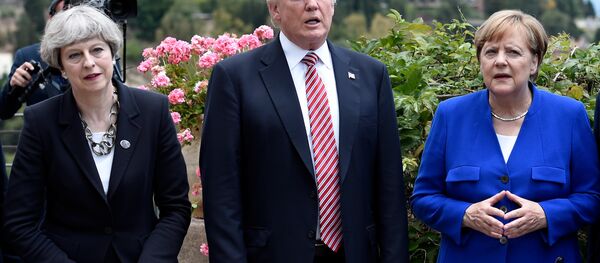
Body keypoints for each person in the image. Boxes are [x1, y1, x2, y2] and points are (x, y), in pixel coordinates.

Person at [200, 0, 408, 262]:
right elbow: (221, 192)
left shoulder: (370, 74)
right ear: (275, 10)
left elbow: (389, 185)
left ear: (333, 6)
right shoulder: (235, 77)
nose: (312, 5)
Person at [3, 5, 191, 262]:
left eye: (97, 49)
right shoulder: (41, 122)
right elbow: (19, 223)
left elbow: (176, 208)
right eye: (74, 55)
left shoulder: (153, 111)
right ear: (61, 68)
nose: (89, 62)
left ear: (112, 52)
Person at [411, 9, 600, 263]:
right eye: (490, 52)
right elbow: (423, 199)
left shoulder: (568, 116)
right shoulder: (451, 115)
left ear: (534, 62)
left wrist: (547, 214)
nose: (500, 61)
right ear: (480, 61)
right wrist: (464, 214)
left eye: (513, 52)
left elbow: (591, 198)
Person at [0, 0, 70, 120]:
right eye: (65, 14)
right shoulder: (28, 55)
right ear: (51, 18)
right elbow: (4, 111)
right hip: (42, 137)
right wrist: (13, 87)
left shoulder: (95, 56)